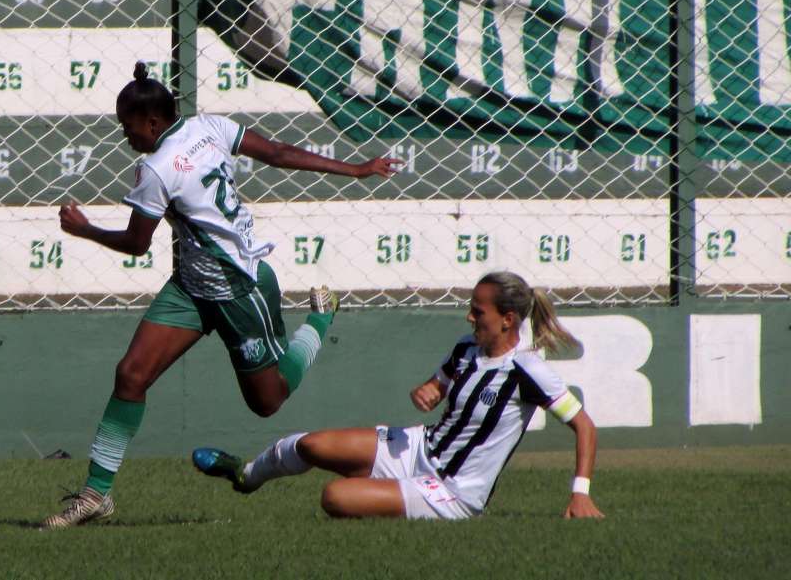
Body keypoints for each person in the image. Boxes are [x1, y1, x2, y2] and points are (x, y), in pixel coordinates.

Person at [41, 62, 402, 529]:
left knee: (267, 402)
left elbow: (136, 244)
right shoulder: (207, 126)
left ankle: (320, 320)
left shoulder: (155, 169)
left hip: (241, 288)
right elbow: (275, 151)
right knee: (131, 375)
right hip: (192, 288)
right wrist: (355, 169)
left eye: (128, 128)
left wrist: (85, 229)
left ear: (152, 124)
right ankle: (96, 494)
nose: (125, 136)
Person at [192, 271, 605, 521]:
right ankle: (246, 476)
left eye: (478, 312)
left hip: (453, 492)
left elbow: (584, 426)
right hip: (417, 450)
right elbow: (436, 386)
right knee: (308, 444)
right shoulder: (466, 347)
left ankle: (383, 493)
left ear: (508, 320)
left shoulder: (529, 370)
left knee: (334, 497)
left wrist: (580, 493)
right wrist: (427, 391)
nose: (469, 317)